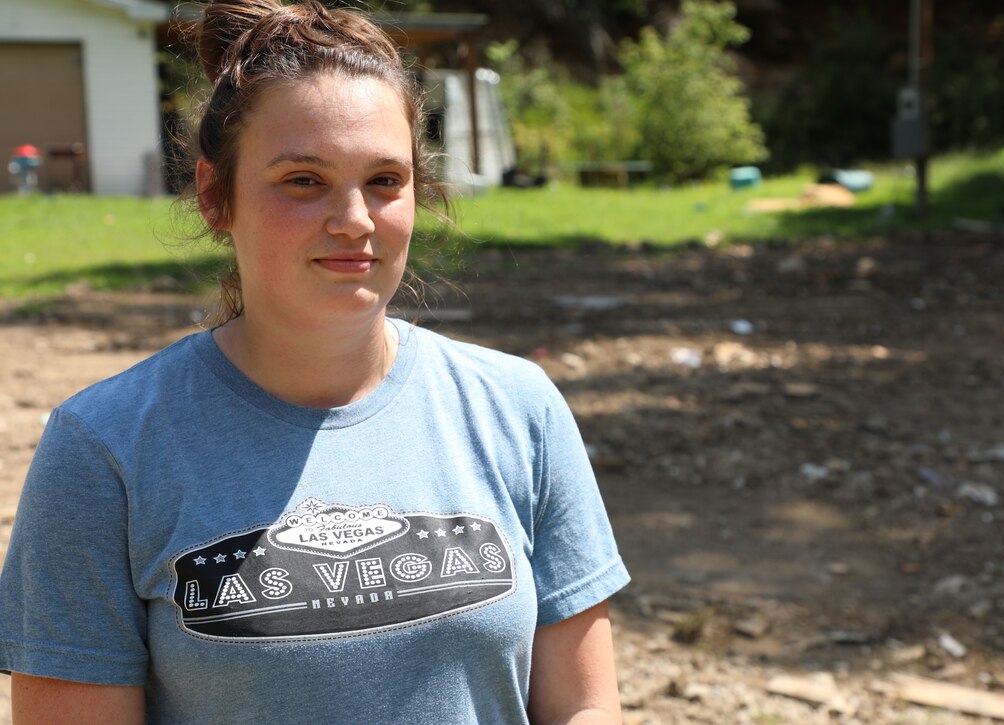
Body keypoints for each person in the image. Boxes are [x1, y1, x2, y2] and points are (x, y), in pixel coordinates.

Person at [0, 1, 629, 722]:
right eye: (304, 179)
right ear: (215, 195)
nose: (355, 218)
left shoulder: (520, 409)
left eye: (385, 180)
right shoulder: (104, 449)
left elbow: (585, 706)